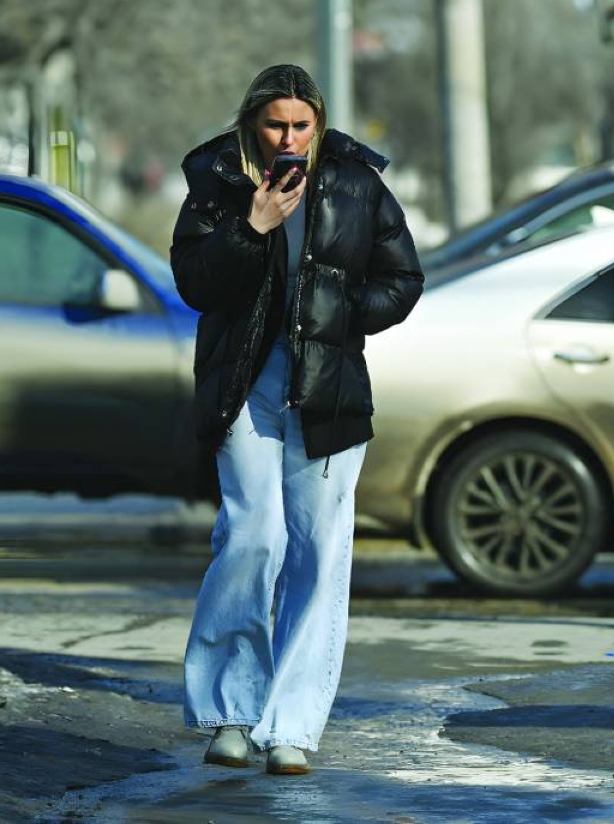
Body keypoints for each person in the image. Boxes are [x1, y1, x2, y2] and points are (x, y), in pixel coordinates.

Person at [170, 63, 424, 776]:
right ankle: (230, 711)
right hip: (246, 382)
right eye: (276, 124)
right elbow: (194, 282)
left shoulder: (355, 181)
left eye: (301, 125)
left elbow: (404, 278)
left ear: (318, 120)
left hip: (329, 389)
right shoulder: (218, 179)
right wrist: (252, 225)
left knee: (317, 551)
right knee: (253, 535)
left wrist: (346, 316)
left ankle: (292, 726)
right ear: (255, 121)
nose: (290, 138)